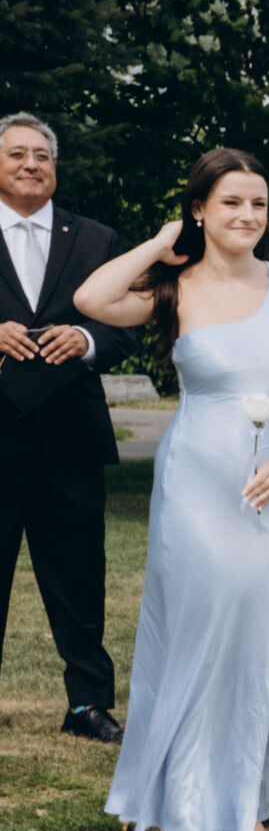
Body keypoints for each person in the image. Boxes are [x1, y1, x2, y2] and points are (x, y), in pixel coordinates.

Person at [75, 148, 269, 831]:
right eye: (231, 202)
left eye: (258, 203)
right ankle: (185, 815)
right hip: (196, 486)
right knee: (197, 637)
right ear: (200, 208)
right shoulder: (174, 286)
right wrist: (162, 244)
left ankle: (242, 809)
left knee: (258, 638)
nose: (248, 215)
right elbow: (92, 299)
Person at [0, 113, 138, 742]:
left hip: (71, 439)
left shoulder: (97, 239)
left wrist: (85, 338)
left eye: (42, 155)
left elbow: (129, 324)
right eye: (17, 154)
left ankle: (88, 707)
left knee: (79, 578)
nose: (31, 164)